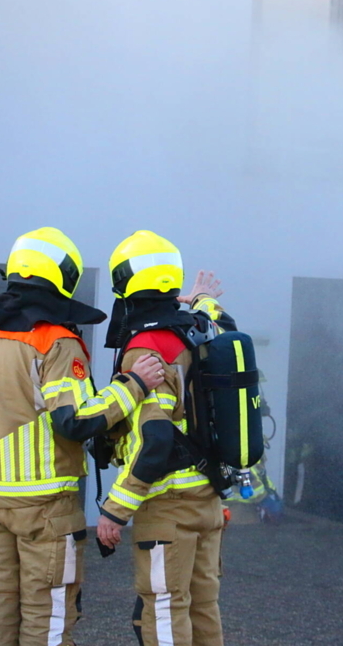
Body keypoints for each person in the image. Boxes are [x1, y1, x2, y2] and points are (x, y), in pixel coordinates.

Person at [0, 227, 166, 646]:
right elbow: (74, 422)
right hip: (44, 510)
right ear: (64, 276)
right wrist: (134, 384)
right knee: (48, 617)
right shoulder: (56, 342)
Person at [95, 230, 232, 646]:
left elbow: (156, 441)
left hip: (167, 506)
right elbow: (218, 317)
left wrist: (114, 511)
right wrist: (199, 299)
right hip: (207, 500)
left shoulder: (147, 347)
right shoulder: (201, 329)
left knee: (165, 609)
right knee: (203, 607)